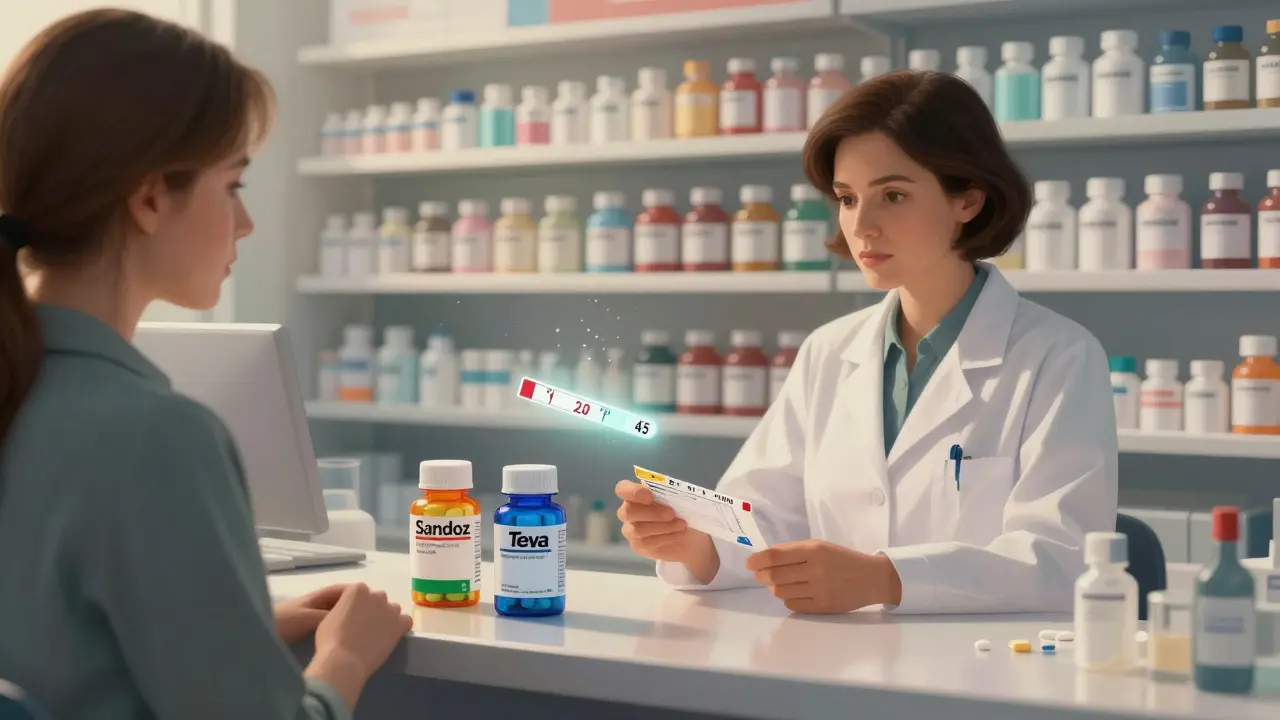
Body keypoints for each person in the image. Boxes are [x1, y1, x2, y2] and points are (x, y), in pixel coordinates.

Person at [0, 10, 410, 719]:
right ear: (152, 196)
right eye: (234, 186)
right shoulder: (154, 439)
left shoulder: (25, 394)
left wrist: (231, 627)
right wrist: (344, 659)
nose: (245, 225)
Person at [616, 71, 1118, 615]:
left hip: (986, 674)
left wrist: (887, 579)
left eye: (893, 195)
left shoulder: (1058, 356)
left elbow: (1062, 558)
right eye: (848, 198)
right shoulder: (830, 351)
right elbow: (765, 512)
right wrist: (697, 543)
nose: (862, 226)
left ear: (968, 201)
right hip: (838, 662)